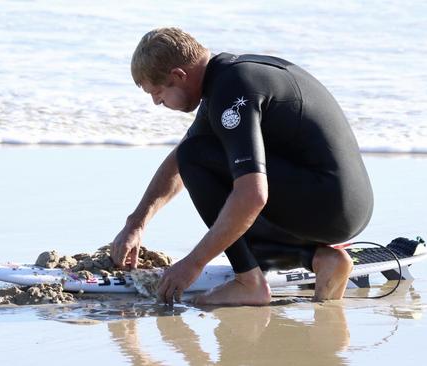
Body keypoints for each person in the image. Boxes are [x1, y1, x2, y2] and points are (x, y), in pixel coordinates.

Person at [111, 27, 373, 306]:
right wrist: (136, 223)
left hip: (327, 205)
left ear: (178, 75)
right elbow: (177, 163)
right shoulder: (231, 78)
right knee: (222, 201)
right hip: (345, 206)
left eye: (158, 92)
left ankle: (249, 283)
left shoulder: (231, 92)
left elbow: (252, 195)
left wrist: (193, 263)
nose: (156, 102)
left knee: (205, 165)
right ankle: (320, 259)